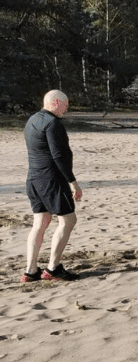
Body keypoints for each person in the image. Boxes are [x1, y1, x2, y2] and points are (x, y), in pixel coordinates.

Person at [22, 90, 83, 282]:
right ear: (56, 102)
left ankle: (31, 271)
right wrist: (72, 182)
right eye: (65, 105)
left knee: (40, 223)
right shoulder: (53, 123)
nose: (66, 109)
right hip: (52, 180)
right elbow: (59, 155)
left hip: (33, 180)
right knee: (68, 220)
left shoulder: (32, 120)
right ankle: (53, 268)